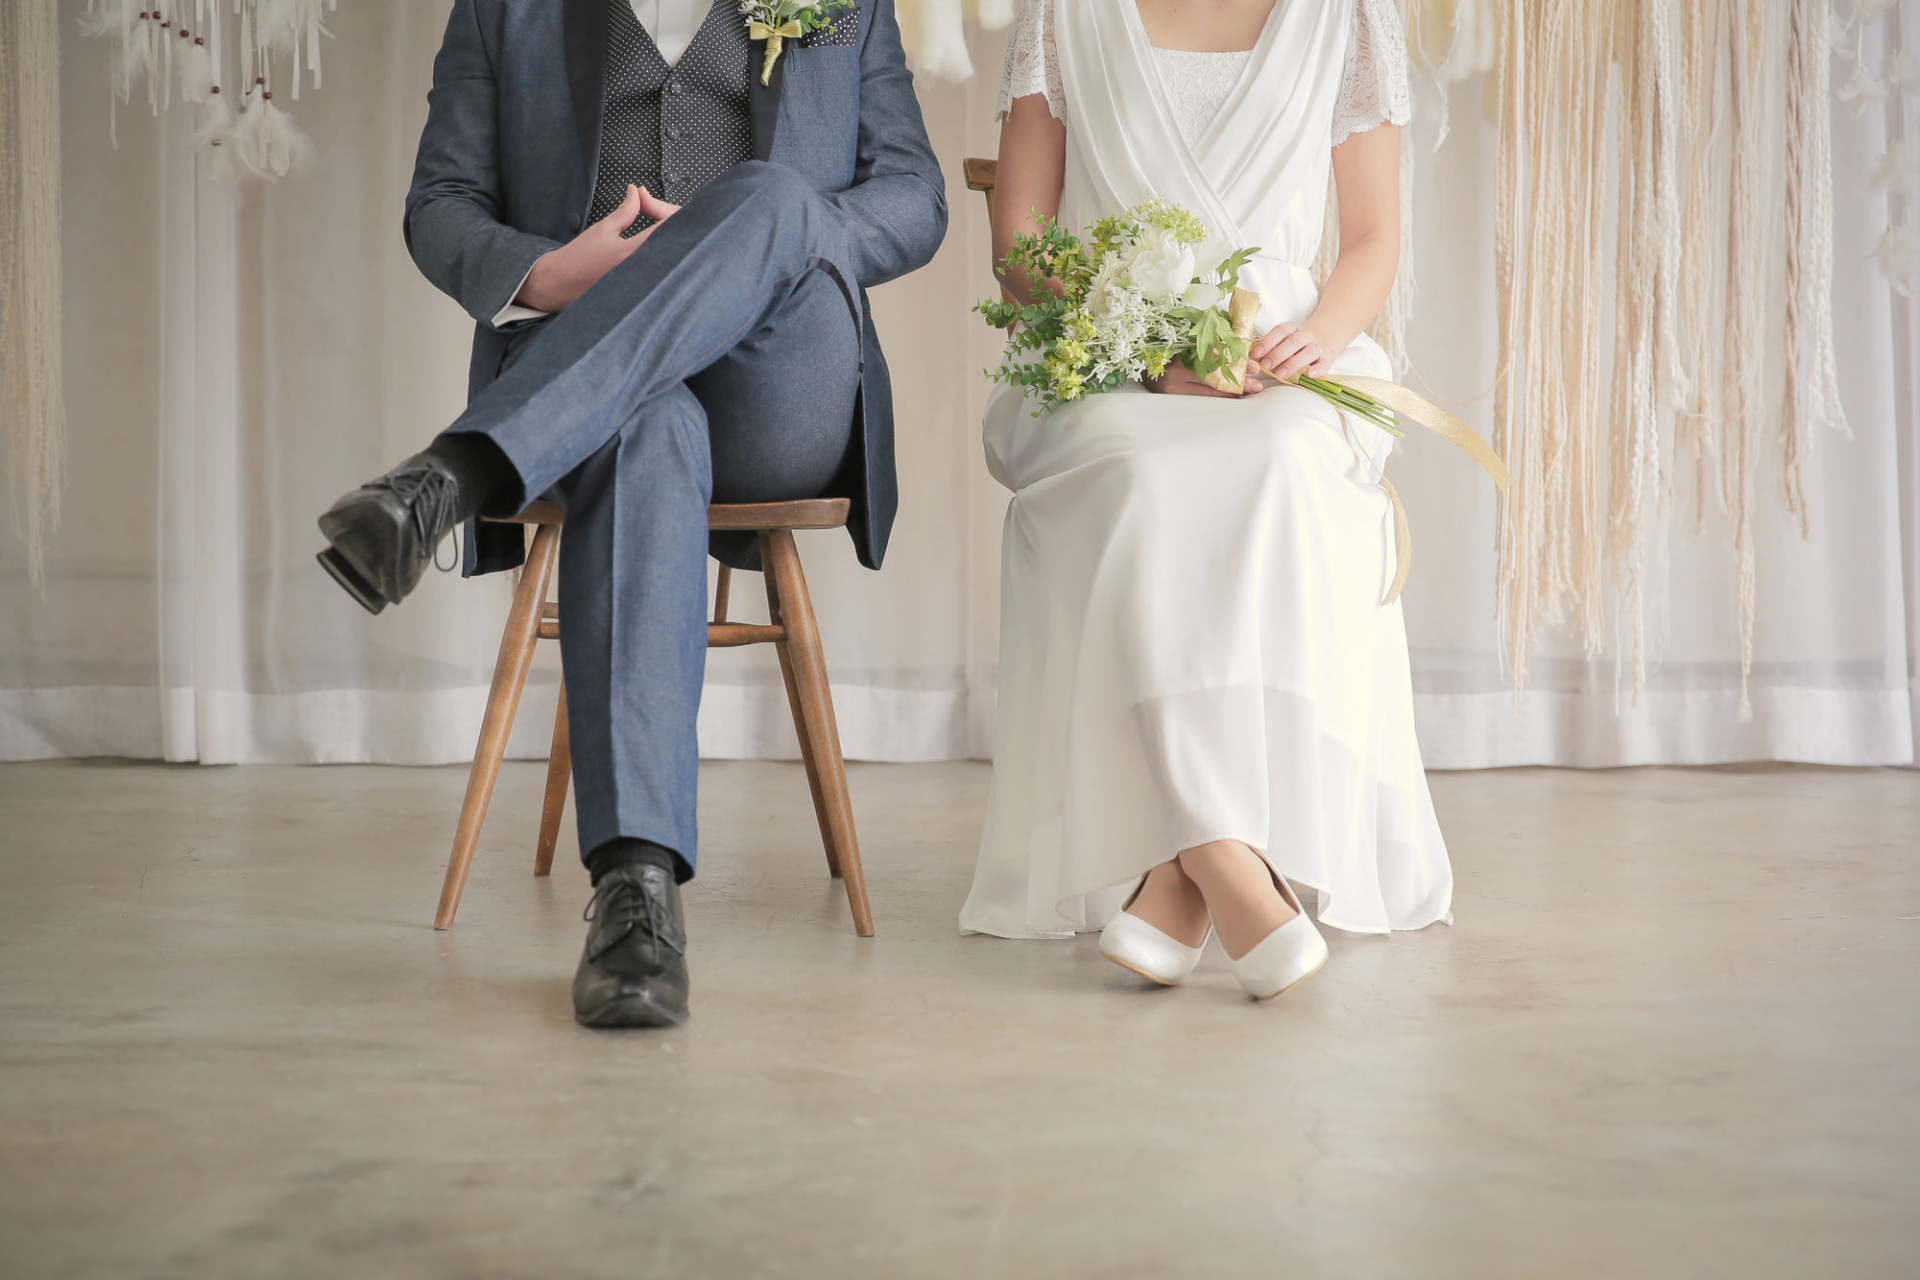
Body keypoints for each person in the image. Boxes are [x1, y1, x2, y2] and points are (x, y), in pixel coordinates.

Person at [314, 0, 946, 1028]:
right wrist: (549, 273)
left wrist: (764, 241)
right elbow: (442, 203)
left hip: (777, 384)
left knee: (773, 198)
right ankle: (635, 898)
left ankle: (458, 471)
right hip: (601, 402)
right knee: (642, 429)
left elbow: (915, 196)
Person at [958, 0, 1452, 998]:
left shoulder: (1348, 15)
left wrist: (1317, 338)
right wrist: (1144, 350)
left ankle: (1180, 877)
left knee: (1282, 461)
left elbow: (1371, 239)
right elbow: (1021, 242)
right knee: (1139, 473)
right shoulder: (1062, 13)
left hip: (1285, 361)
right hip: (1110, 363)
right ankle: (1226, 858)